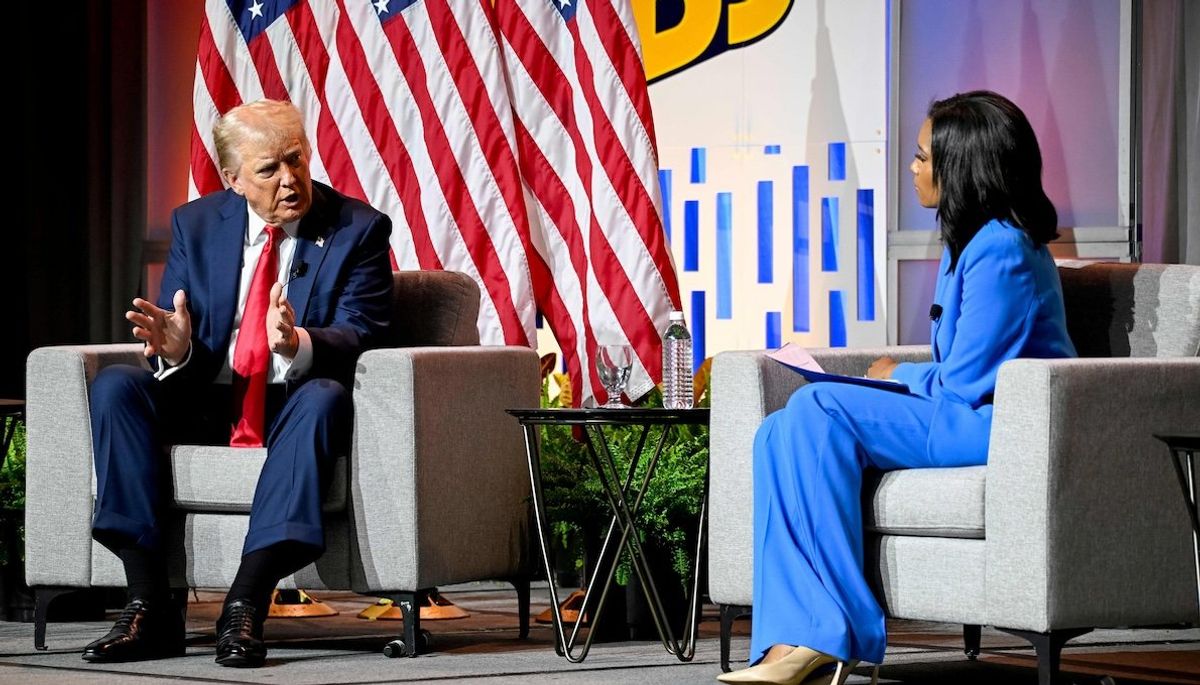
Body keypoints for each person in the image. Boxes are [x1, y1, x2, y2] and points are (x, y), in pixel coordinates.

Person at [718, 90, 1077, 685]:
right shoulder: (969, 240)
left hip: (995, 425)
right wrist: (897, 378)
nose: (912, 170)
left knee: (818, 404)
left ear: (961, 166)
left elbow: (964, 382)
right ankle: (791, 637)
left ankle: (829, 634)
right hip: (961, 413)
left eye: (921, 158)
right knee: (777, 430)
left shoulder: (1004, 251)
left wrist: (896, 375)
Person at [81, 99, 393, 668]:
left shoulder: (358, 230)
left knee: (324, 397)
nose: (291, 179)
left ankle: (245, 603)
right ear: (233, 179)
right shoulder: (196, 225)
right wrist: (176, 349)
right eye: (269, 169)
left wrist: (298, 345)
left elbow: (363, 331)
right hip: (206, 399)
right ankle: (148, 604)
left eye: (296, 159)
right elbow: (179, 326)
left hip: (293, 402)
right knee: (115, 388)